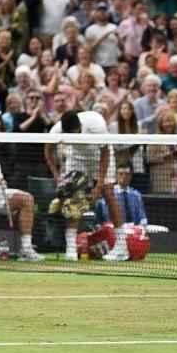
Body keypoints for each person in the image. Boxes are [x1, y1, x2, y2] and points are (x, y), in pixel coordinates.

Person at [48, 110, 127, 261]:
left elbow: (105, 154)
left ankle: (122, 247)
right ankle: (70, 248)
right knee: (73, 197)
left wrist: (99, 184)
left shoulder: (96, 125)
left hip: (100, 157)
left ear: (80, 126)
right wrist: (56, 174)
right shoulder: (56, 130)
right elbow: (48, 149)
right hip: (77, 159)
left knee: (108, 193)